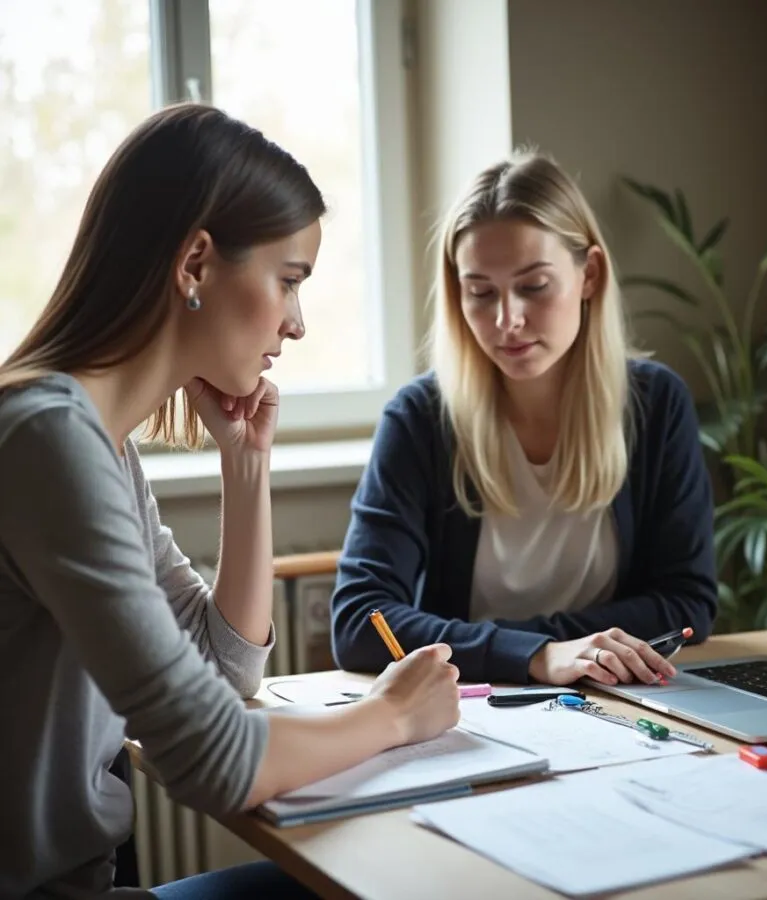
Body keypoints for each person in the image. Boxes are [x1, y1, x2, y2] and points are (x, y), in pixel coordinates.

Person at [0, 104, 460, 900]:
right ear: (196, 264)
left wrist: (246, 467)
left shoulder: (100, 446)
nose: (299, 322)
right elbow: (210, 759)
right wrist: (391, 715)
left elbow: (226, 671)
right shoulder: (49, 440)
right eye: (288, 281)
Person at [330, 150, 718, 688]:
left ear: (590, 275)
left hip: (618, 700)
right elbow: (358, 620)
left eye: (534, 286)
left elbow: (687, 603)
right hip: (468, 707)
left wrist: (555, 650)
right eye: (480, 292)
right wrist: (539, 655)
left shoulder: (655, 406)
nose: (507, 321)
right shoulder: (420, 419)